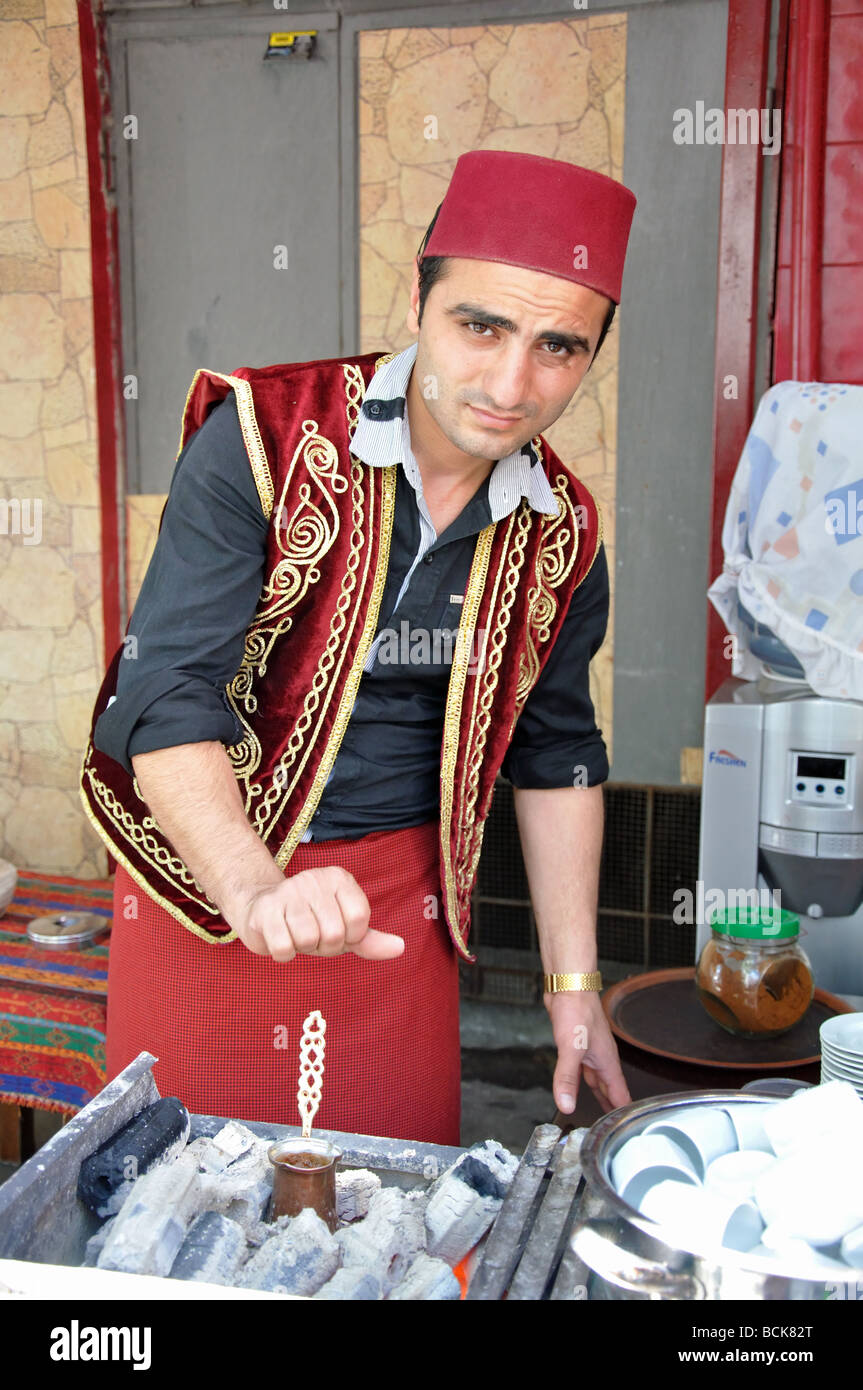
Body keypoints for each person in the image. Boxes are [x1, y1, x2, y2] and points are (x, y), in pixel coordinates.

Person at [81, 150, 637, 1145]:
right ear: (418, 302)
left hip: (398, 903)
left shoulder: (564, 529)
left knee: (383, 1215)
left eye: (557, 348)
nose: (511, 385)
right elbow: (161, 690)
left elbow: (556, 754)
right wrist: (253, 888)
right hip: (208, 879)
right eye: (481, 327)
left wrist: (570, 985)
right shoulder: (264, 435)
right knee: (169, 1207)